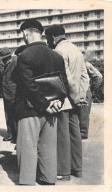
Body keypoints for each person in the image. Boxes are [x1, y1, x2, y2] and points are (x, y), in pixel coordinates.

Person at [12, 19, 69, 185]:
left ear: (26, 33)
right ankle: (48, 179)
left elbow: (28, 85)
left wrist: (44, 104)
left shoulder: (24, 56)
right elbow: (63, 83)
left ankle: (27, 183)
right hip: (53, 109)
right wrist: (57, 102)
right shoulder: (56, 56)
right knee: (49, 148)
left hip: (30, 110)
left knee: (27, 147)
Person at [45, 24, 90, 181]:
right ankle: (78, 169)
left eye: (47, 38)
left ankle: (64, 172)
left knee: (62, 136)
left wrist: (73, 96)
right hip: (76, 99)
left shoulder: (58, 51)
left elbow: (66, 78)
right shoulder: (76, 49)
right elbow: (85, 76)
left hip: (64, 99)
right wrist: (81, 96)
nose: (47, 42)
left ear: (53, 38)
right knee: (75, 134)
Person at [79, 51, 103, 139]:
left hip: (85, 92)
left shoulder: (86, 65)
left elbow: (98, 76)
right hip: (79, 92)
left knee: (83, 122)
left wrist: (91, 89)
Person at [0, 47, 18, 143]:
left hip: (14, 93)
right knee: (8, 115)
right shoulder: (4, 64)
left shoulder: (16, 62)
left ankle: (17, 136)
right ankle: (10, 134)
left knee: (15, 116)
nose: (3, 60)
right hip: (6, 92)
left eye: (4, 58)